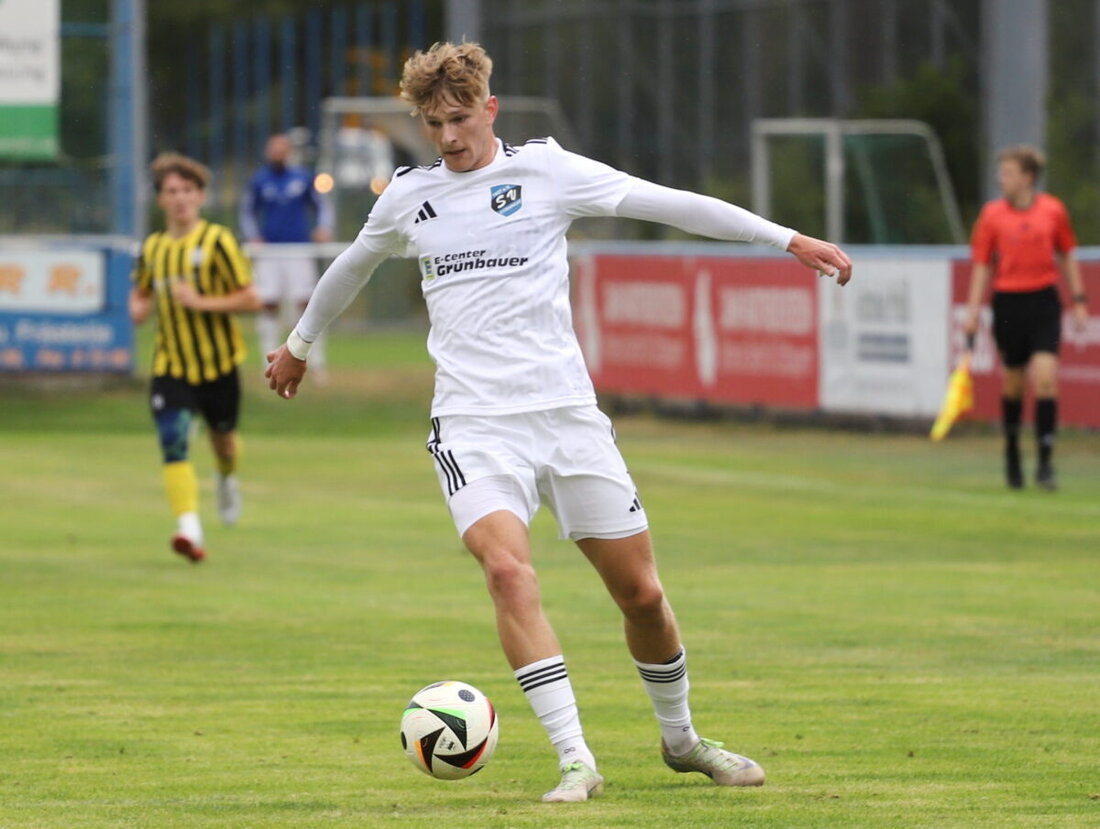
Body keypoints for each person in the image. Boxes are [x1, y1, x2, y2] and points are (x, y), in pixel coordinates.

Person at [266, 42, 852, 802]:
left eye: (459, 119)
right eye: (433, 123)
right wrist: (300, 345)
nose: (447, 137)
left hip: (568, 417)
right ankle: (576, 758)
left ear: (490, 109)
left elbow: (668, 201)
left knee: (641, 595)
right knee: (509, 572)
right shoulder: (408, 197)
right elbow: (351, 265)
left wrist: (787, 239)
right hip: (474, 423)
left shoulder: (546, 171)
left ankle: (681, 738)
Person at [131, 153, 261, 562]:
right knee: (172, 440)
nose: (180, 198)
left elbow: (251, 298)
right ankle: (188, 528)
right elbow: (142, 290)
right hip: (170, 365)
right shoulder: (152, 248)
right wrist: (137, 306)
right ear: (161, 200)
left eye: (187, 190)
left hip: (219, 365)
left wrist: (201, 302)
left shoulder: (218, 241)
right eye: (172, 191)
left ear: (201, 196)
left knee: (223, 444)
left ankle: (226, 481)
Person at [964, 145, 1089, 490]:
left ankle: (1046, 463)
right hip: (1008, 304)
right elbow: (981, 264)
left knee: (1047, 378)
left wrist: (1079, 299)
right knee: (1014, 383)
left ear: (1028, 177)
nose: (1001, 179)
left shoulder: (1053, 211)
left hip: (1044, 301)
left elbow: (1067, 254)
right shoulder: (992, 215)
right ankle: (1012, 453)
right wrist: (973, 312)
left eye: (1008, 173)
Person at [240, 133, 335, 374]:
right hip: (271, 251)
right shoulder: (261, 180)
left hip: (298, 249)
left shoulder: (302, 177)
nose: (277, 154)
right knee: (269, 302)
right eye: (274, 150)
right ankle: (268, 359)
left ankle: (314, 361)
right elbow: (248, 211)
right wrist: (253, 236)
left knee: (305, 303)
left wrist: (323, 228)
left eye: (282, 150)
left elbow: (322, 205)